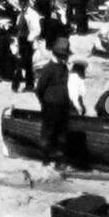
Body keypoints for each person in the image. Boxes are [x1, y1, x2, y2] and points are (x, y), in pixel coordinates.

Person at [35, 37, 73, 165]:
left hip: (61, 105)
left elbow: (40, 89)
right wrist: (44, 101)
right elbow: (40, 88)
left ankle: (56, 161)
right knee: (50, 132)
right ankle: (46, 160)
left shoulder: (62, 68)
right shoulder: (48, 68)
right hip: (51, 105)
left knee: (60, 133)